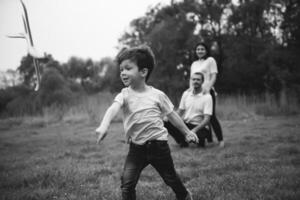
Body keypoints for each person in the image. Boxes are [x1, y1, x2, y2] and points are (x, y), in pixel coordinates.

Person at [95, 45, 198, 200]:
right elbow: (112, 108)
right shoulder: (124, 95)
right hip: (136, 148)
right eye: (121, 69)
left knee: (170, 178)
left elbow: (172, 116)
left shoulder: (158, 95)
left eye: (128, 68)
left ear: (143, 72)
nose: (122, 72)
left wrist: (188, 132)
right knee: (127, 183)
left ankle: (184, 195)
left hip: (159, 146)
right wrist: (104, 125)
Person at [190, 42, 224, 147]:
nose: (200, 51)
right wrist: (190, 91)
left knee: (211, 116)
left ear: (206, 50)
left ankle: (221, 140)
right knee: (200, 116)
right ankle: (208, 140)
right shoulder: (194, 64)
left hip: (208, 92)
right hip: (196, 93)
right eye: (198, 49)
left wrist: (208, 88)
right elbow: (191, 79)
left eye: (202, 49)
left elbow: (213, 76)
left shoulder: (210, 60)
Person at [165, 72, 212, 148]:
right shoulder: (186, 94)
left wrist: (194, 131)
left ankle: (198, 140)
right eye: (193, 79)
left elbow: (207, 120)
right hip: (187, 124)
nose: (195, 81)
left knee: (199, 143)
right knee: (167, 121)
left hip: (200, 127)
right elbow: (180, 112)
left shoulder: (207, 97)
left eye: (198, 79)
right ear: (191, 81)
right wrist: (169, 118)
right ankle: (183, 142)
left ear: (202, 81)